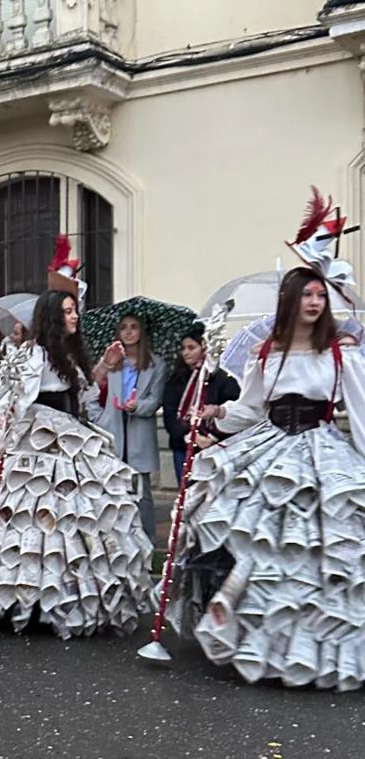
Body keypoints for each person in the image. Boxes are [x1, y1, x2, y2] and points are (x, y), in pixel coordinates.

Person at [169, 193, 365, 688]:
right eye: (307, 294)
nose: (315, 301)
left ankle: (316, 649)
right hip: (270, 448)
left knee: (321, 553)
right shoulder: (266, 355)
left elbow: (359, 414)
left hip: (323, 452)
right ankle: (255, 643)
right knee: (255, 545)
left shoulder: (342, 357)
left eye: (320, 294)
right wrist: (211, 418)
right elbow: (249, 410)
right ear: (291, 301)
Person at [0, 284, 154, 639]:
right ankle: (21, 598)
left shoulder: (66, 352)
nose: (74, 316)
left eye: (74, 310)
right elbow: (12, 401)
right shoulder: (35, 354)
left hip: (70, 433)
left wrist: (103, 367)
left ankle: (62, 595)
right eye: (67, 311)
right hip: (39, 440)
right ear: (52, 317)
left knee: (75, 518)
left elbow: (79, 392)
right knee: (28, 519)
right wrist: (10, 416)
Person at [88, 312, 168, 538]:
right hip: (112, 429)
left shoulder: (156, 364)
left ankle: (147, 543)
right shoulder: (112, 361)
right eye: (124, 328)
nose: (129, 332)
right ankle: (118, 544)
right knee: (113, 493)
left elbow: (155, 400)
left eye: (134, 327)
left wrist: (138, 406)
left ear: (142, 331)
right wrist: (99, 417)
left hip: (139, 431)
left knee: (142, 495)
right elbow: (91, 391)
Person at [161, 323, 240, 483]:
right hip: (184, 448)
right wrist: (192, 437)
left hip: (215, 449)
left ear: (204, 348)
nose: (185, 353)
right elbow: (170, 417)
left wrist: (211, 437)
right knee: (187, 497)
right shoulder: (176, 381)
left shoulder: (222, 379)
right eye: (183, 348)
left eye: (191, 347)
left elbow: (232, 413)